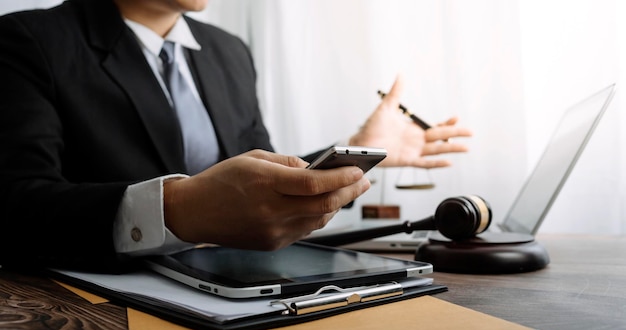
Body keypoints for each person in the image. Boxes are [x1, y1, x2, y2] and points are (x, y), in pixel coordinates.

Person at [0, 0, 472, 271]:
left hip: (234, 285)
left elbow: (258, 182)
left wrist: (360, 149)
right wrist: (178, 210)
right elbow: (15, 206)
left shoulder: (228, 52)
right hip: (101, 303)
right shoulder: (28, 39)